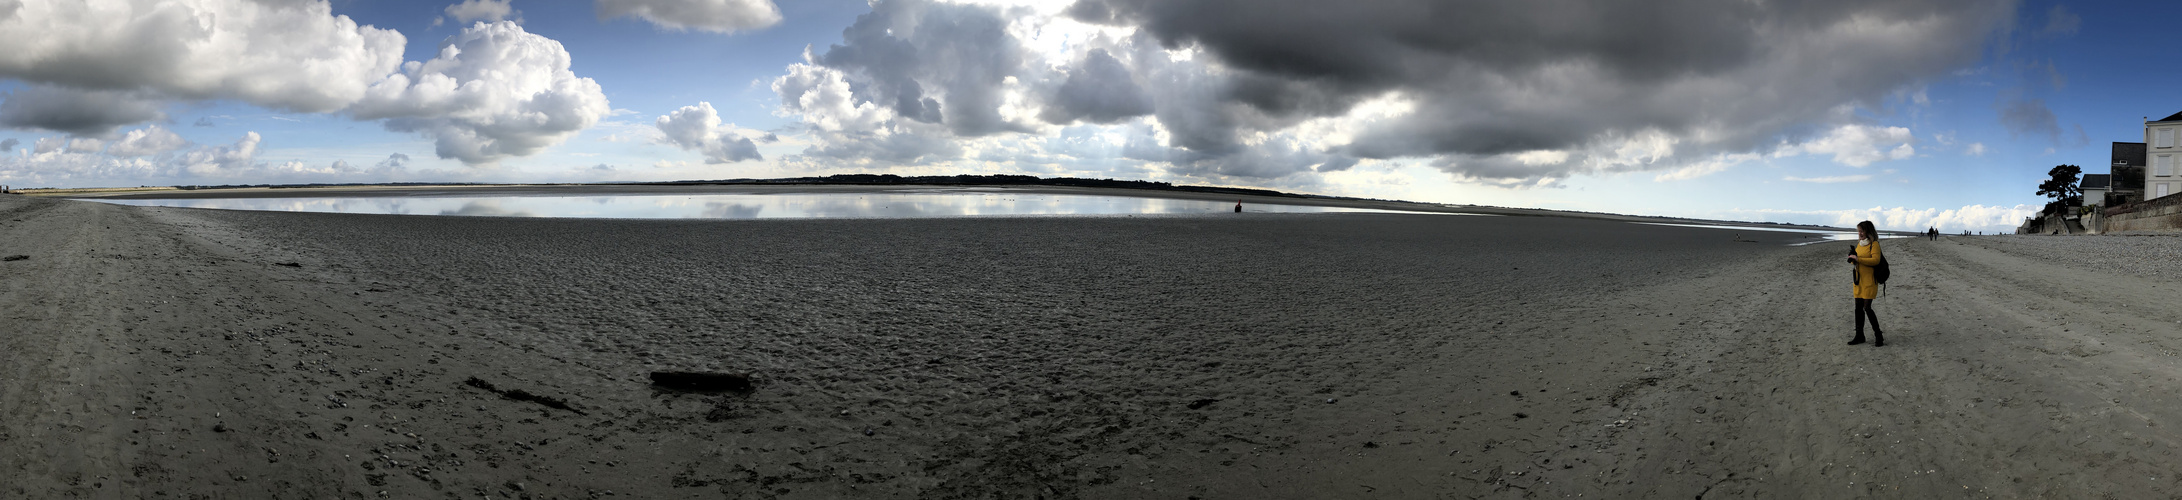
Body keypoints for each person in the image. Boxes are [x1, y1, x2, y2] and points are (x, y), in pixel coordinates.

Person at [1845, 221, 1885, 347]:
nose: (1860, 233)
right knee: (1858, 308)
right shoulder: (1859, 245)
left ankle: (1879, 335)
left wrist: (1858, 259)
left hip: (1870, 281)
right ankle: (1859, 335)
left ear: (1868, 231)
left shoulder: (1874, 245)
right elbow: (1856, 261)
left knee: (1867, 307)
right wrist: (1852, 259)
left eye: (1862, 231)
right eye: (1858, 231)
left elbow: (1875, 260)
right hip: (1858, 281)